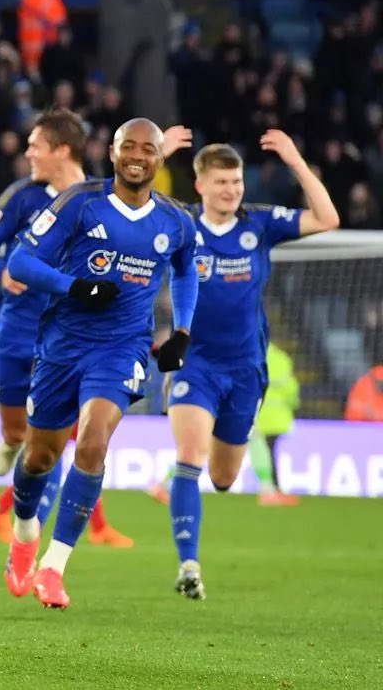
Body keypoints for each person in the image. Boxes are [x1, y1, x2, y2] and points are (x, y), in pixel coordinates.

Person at [2, 118, 199, 609]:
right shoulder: (80, 202)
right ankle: (24, 534)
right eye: (128, 146)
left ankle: (54, 567)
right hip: (62, 347)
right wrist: (75, 287)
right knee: (39, 458)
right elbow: (20, 262)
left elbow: (185, 272)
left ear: (159, 158)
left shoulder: (176, 221)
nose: (137, 156)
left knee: (93, 442)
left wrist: (181, 331)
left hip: (122, 349)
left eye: (148, 149)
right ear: (112, 153)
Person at [164, 133, 338, 600]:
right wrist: (157, 154)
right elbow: (128, 206)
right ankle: (188, 564)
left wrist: (295, 160)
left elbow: (327, 218)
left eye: (236, 181)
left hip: (245, 370)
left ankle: (194, 543)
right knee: (189, 456)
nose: (231, 190)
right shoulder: (181, 224)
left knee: (223, 478)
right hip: (195, 364)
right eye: (221, 182)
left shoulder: (259, 223)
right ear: (200, 185)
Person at [0, 108, 150, 548]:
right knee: (21, 435)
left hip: (71, 338)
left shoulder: (101, 200)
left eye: (35, 146)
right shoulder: (21, 197)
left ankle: (28, 533)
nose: (28, 153)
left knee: (73, 435)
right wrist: (0, 271)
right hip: (17, 331)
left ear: (62, 150)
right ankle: (10, 491)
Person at [250, 341, 301, 506]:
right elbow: (291, 389)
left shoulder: (246, 354)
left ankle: (269, 489)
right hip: (275, 417)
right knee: (267, 450)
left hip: (253, 412)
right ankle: (271, 489)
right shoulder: (280, 358)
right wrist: (294, 404)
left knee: (261, 449)